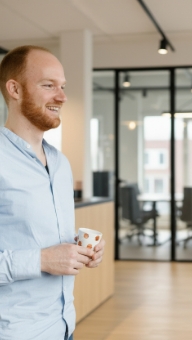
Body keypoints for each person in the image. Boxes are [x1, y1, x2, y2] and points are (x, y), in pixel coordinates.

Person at [0, 45, 105, 340]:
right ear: (15, 89)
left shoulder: (60, 163)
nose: (62, 97)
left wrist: (83, 250)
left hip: (63, 327)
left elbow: (40, 238)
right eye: (48, 85)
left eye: (62, 87)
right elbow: (42, 255)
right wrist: (42, 261)